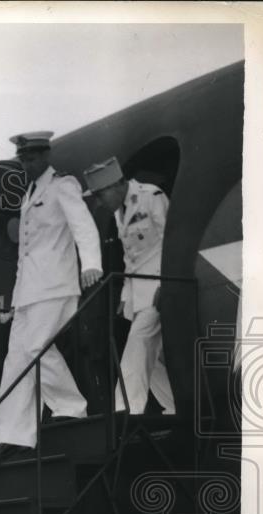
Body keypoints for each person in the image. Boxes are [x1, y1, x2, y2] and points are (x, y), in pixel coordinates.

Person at [0, 131, 103, 464]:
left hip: (55, 287)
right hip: (30, 293)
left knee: (37, 348)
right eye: (23, 159)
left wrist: (91, 264)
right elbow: (27, 255)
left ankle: (70, 406)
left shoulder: (62, 186)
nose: (27, 164)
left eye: (33, 158)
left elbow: (83, 226)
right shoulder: (30, 194)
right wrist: (16, 302)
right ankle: (13, 435)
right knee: (16, 358)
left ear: (46, 156)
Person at [83, 156, 175, 415]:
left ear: (115, 185)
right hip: (139, 294)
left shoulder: (151, 196)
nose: (100, 202)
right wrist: (126, 296)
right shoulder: (119, 212)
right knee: (153, 357)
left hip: (158, 285)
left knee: (138, 342)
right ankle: (173, 406)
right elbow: (130, 260)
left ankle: (126, 409)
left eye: (100, 195)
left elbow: (171, 240)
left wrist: (165, 284)